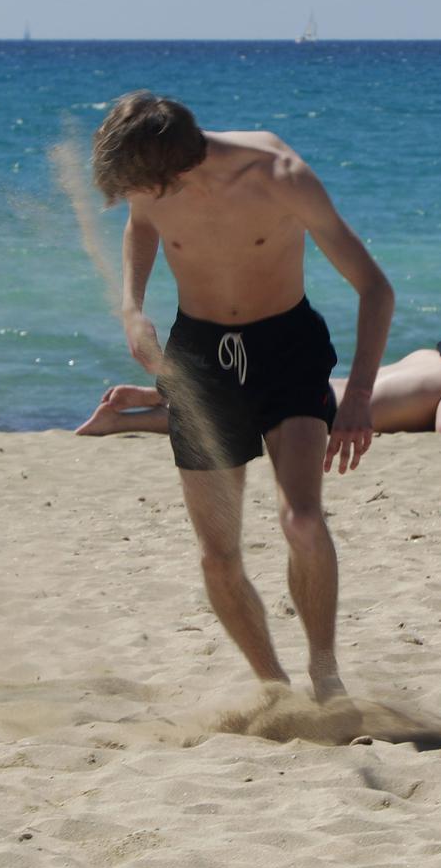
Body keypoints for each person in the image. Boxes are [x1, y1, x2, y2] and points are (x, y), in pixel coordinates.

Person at [92, 90, 394, 702]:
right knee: (217, 556)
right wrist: (131, 309)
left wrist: (359, 395)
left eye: (140, 185)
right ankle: (275, 689)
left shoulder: (280, 176)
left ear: (175, 168)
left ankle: (325, 673)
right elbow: (141, 228)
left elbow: (374, 288)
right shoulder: (151, 187)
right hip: (201, 359)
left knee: (302, 520)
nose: (134, 197)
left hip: (287, 349)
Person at [78, 322, 441, 436]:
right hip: (329, 409)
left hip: (331, 388)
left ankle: (147, 398)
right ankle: (124, 421)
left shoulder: (427, 356)